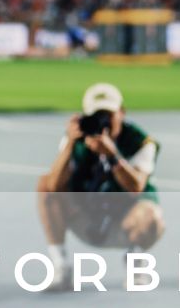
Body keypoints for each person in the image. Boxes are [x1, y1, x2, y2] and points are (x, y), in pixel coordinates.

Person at [37, 82, 165, 283]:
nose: (103, 123)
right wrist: (70, 143)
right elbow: (53, 186)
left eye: (109, 115)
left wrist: (113, 155)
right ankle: (60, 267)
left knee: (152, 217)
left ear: (121, 113)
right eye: (97, 116)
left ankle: (136, 260)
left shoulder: (140, 142)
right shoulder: (76, 139)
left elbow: (135, 188)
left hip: (126, 221)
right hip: (87, 217)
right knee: (44, 185)